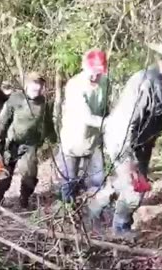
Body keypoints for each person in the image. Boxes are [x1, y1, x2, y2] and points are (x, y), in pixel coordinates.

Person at [89, 32, 162, 237]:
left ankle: (94, 209)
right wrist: (128, 158)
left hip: (143, 142)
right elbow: (126, 123)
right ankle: (120, 228)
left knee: (126, 182)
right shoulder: (144, 83)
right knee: (135, 189)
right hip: (122, 139)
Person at [0, 72, 46, 208]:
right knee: (4, 176)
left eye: (40, 84)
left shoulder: (43, 102)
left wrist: (47, 138)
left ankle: (24, 199)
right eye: (34, 83)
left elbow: (46, 123)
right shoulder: (15, 99)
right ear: (27, 85)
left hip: (29, 145)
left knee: (30, 175)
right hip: (11, 143)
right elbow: (2, 123)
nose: (37, 87)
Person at [56, 49, 110, 204]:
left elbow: (105, 108)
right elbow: (86, 117)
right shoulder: (74, 86)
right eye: (92, 72)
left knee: (98, 180)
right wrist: (112, 123)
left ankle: (96, 213)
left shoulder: (105, 82)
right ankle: (67, 213)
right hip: (73, 141)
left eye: (99, 73)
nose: (95, 76)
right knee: (69, 181)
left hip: (94, 141)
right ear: (84, 67)